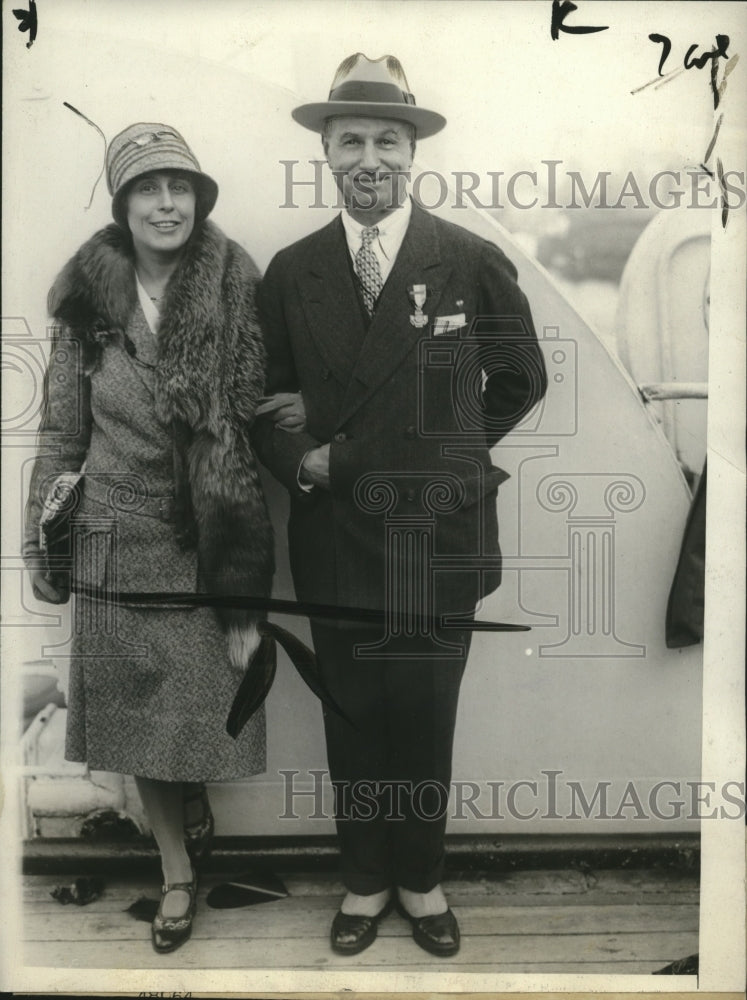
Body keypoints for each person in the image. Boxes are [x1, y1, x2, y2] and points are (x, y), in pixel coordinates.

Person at [253, 54, 548, 957]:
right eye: (351, 141)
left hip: (437, 533)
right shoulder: (291, 270)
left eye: (387, 140)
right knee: (352, 717)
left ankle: (421, 881)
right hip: (335, 537)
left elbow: (520, 381)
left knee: (423, 716)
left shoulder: (466, 257)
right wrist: (304, 464)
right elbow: (262, 405)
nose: (369, 159)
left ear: (411, 152)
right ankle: (364, 880)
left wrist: (418, 456)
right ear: (325, 152)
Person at [23, 123, 302, 953]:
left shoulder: (238, 282)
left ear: (199, 200)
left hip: (211, 529)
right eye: (148, 189)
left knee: (202, 703)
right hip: (116, 536)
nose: (167, 204)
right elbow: (61, 432)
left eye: (181, 188)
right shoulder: (86, 301)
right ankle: (177, 873)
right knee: (140, 710)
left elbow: (266, 398)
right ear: (123, 205)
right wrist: (45, 542)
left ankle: (186, 801)